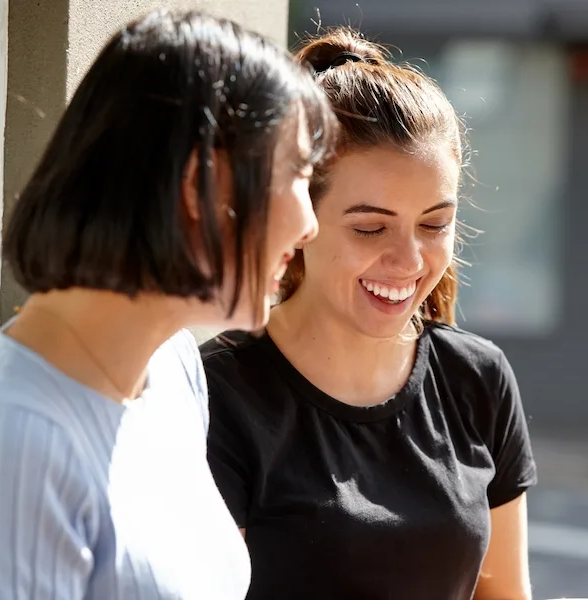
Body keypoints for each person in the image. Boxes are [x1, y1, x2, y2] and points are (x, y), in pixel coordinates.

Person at [0, 10, 336, 600]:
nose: (311, 225)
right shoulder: (13, 445)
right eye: (298, 175)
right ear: (201, 185)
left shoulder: (171, 367)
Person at [200, 27, 536, 600]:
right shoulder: (217, 394)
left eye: (434, 224)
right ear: (301, 215)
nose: (409, 260)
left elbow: (505, 593)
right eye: (370, 228)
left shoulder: (478, 379)